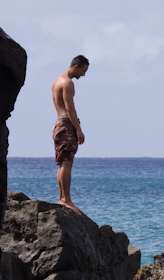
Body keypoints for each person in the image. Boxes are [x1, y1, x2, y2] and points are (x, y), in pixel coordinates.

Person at [52, 55, 89, 215]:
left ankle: (62, 198)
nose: (83, 74)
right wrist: (79, 130)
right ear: (76, 66)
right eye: (83, 70)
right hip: (67, 124)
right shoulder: (68, 83)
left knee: (62, 163)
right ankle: (66, 200)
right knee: (67, 163)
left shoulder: (56, 81)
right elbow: (70, 109)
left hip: (58, 123)